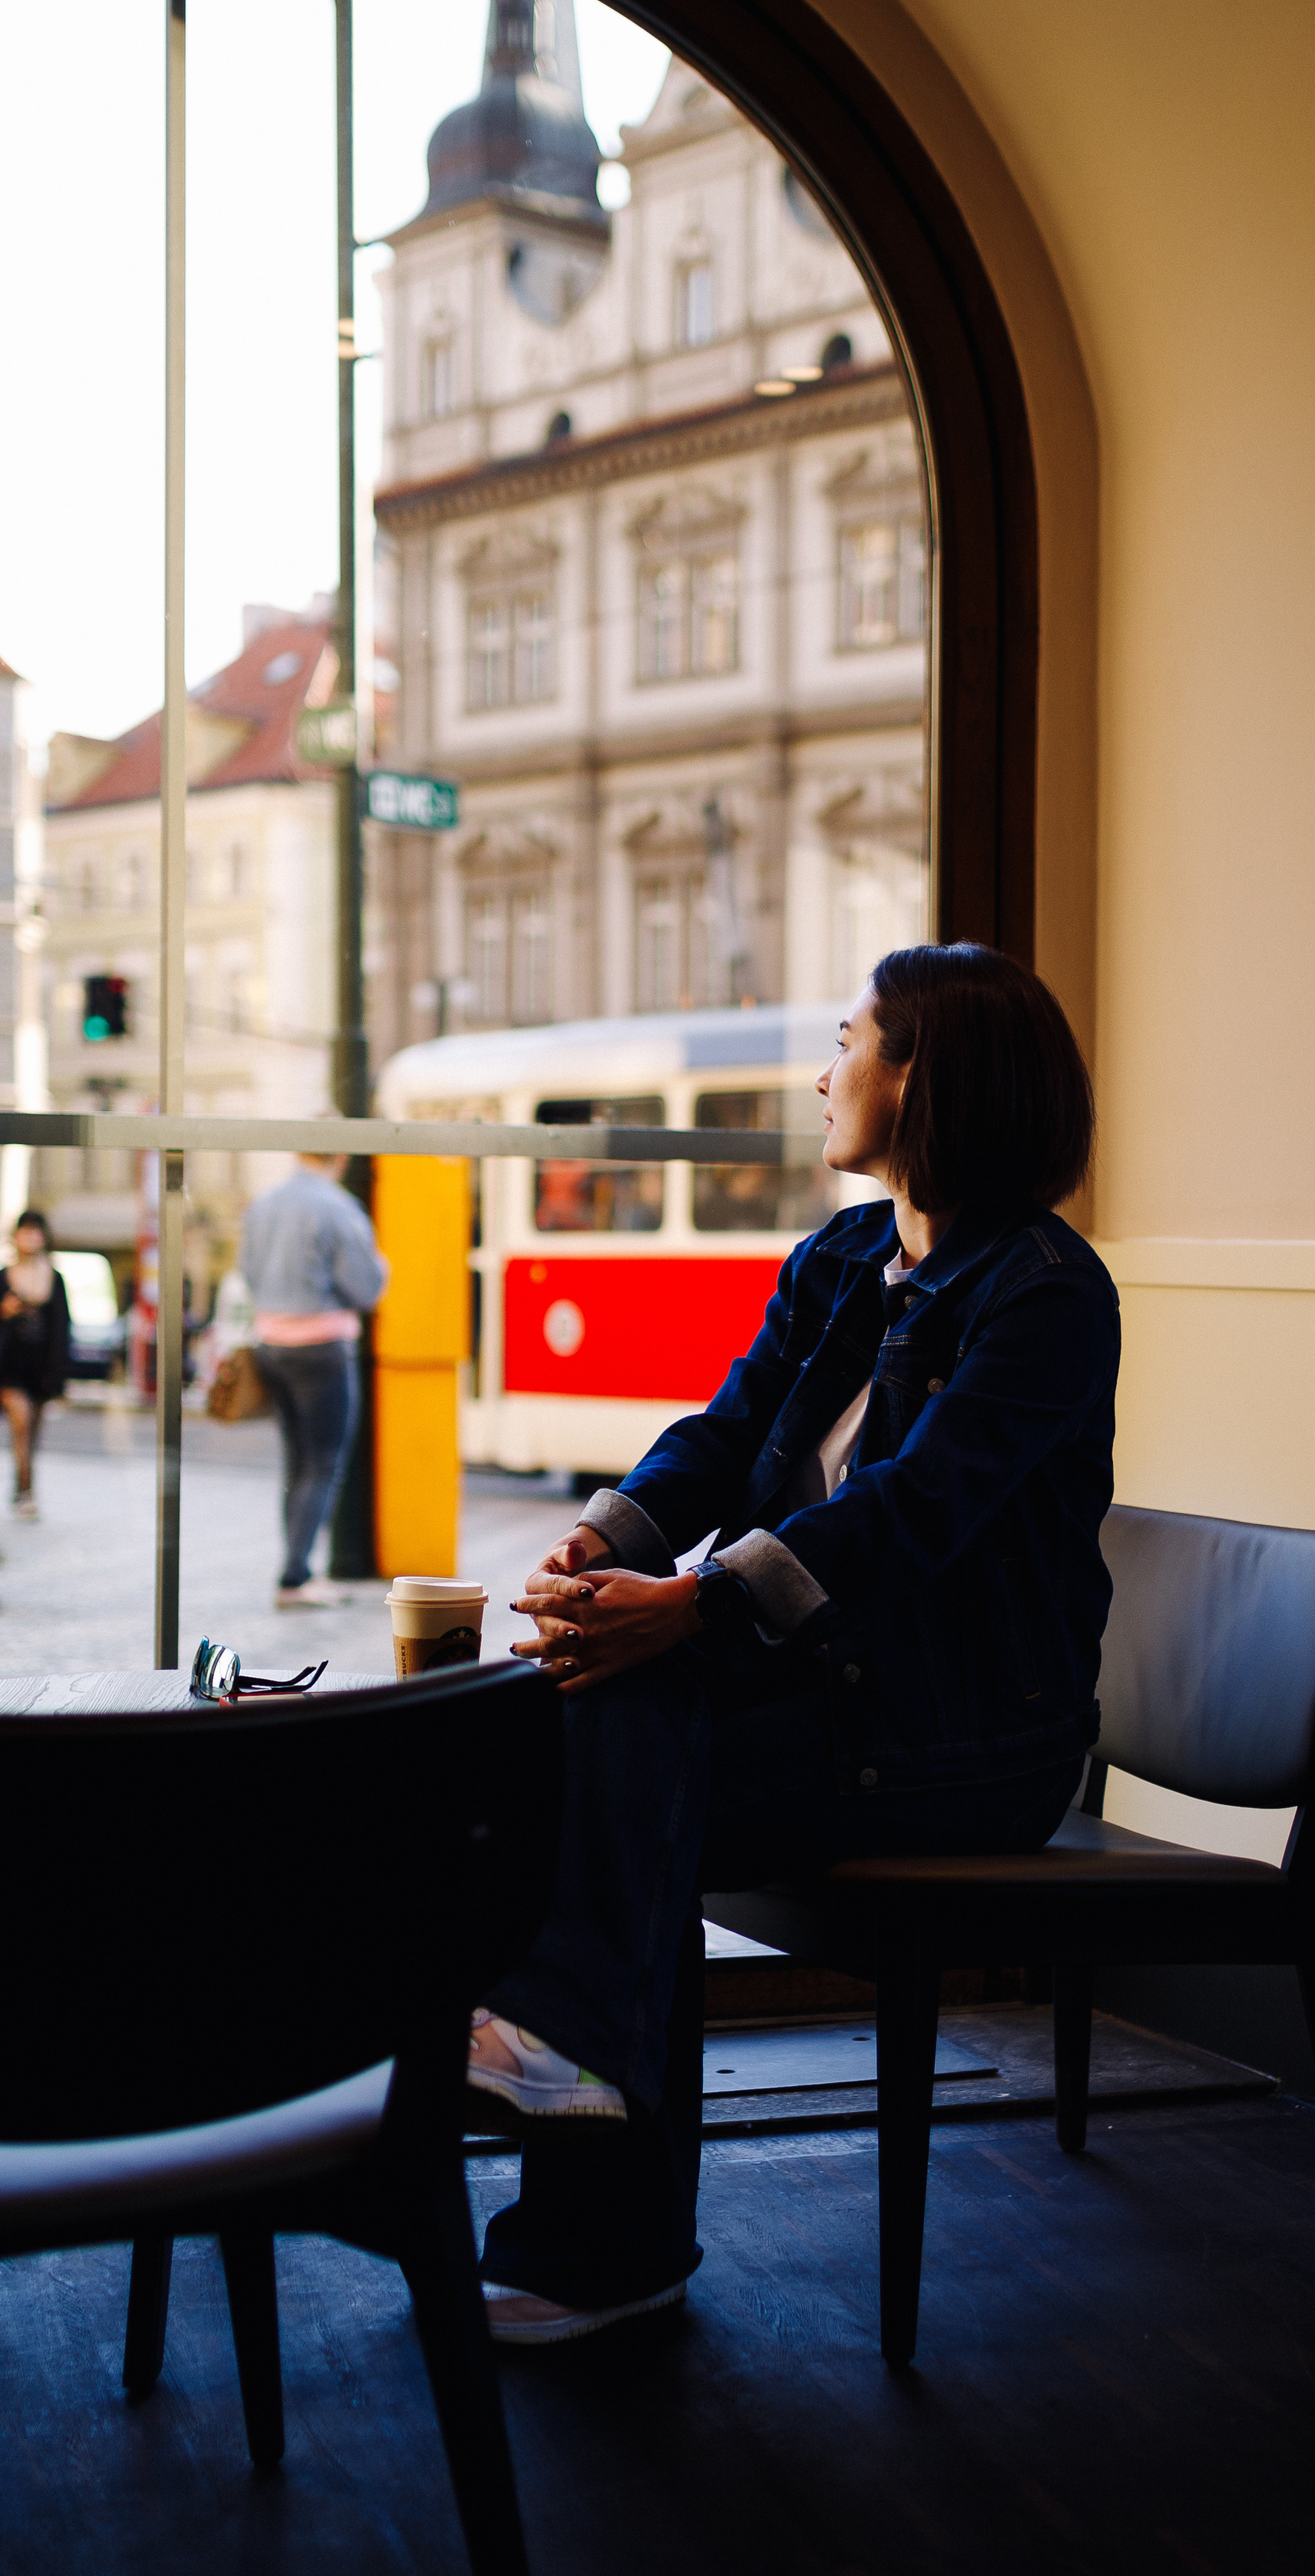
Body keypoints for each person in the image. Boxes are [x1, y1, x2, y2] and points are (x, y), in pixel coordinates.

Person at [466, 942, 1119, 2345]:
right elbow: (724, 1433)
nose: (824, 1073)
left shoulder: (1049, 1298)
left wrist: (690, 1610)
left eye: (849, 1040)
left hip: (975, 1741)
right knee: (598, 1714)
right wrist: (614, 1545)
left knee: (619, 1737)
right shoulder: (842, 1259)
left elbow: (910, 1516)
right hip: (833, 1698)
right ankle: (583, 2169)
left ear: (922, 1074)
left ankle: (577, 2155)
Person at [237, 1153, 390, 1609]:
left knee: (297, 1462)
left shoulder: (263, 1205)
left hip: (272, 1344)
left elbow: (248, 1272)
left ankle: (296, 1568)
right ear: (339, 1156)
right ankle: (296, 1575)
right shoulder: (339, 1208)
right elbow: (366, 1288)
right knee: (323, 1465)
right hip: (322, 1346)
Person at [0, 1211, 71, 1521]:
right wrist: (3, 1311)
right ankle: (26, 1493)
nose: (30, 1238)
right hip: (11, 1366)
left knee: (33, 1435)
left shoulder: (54, 1279)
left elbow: (62, 1328)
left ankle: (22, 1487)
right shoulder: (1, 1277)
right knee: (21, 1424)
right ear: (15, 1236)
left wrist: (59, 1377)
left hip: (41, 1368)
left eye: (36, 1232)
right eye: (25, 1232)